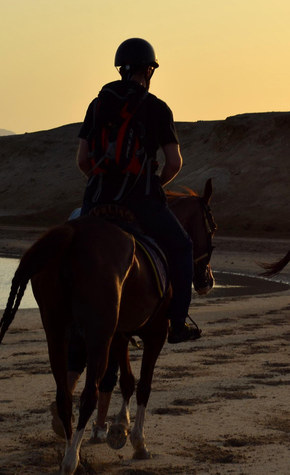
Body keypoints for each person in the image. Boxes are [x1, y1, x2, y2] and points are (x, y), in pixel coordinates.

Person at [77, 37, 200, 343]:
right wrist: (155, 186)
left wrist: (101, 181)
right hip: (141, 200)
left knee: (71, 241)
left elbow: (82, 160)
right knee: (183, 247)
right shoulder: (157, 107)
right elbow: (174, 162)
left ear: (121, 69)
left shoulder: (97, 104)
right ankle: (178, 323)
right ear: (149, 70)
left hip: (97, 198)